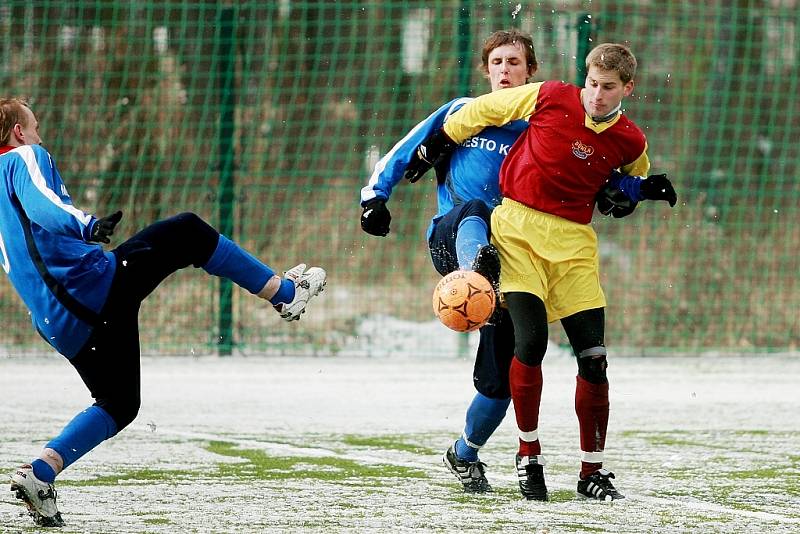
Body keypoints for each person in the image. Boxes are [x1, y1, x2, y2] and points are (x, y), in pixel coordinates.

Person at [0, 98, 327, 527]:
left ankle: (39, 473)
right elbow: (44, 204)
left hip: (56, 323)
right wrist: (85, 225)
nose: (40, 136)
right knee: (188, 230)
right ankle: (285, 293)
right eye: (36, 127)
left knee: (118, 403)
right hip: (89, 290)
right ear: (20, 133)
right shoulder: (21, 157)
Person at [402, 43, 677, 501]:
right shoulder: (550, 96)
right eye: (592, 83)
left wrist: (639, 192)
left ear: (627, 89)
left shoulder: (632, 140)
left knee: (595, 358)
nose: (596, 95)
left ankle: (592, 473)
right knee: (529, 345)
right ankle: (529, 455)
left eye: (608, 88)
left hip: (574, 248)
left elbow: (616, 190)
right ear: (583, 78)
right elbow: (481, 110)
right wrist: (436, 144)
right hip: (517, 233)